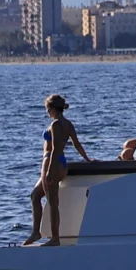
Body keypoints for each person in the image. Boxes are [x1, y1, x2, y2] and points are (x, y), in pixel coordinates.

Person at [26, 93, 91, 245]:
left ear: (53, 109)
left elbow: (55, 148)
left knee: (52, 201)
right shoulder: (68, 124)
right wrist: (87, 158)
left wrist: (49, 169)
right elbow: (77, 144)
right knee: (35, 195)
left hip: (51, 161)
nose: (47, 112)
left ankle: (55, 238)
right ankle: (36, 232)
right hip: (61, 163)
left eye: (47, 109)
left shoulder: (55, 124)